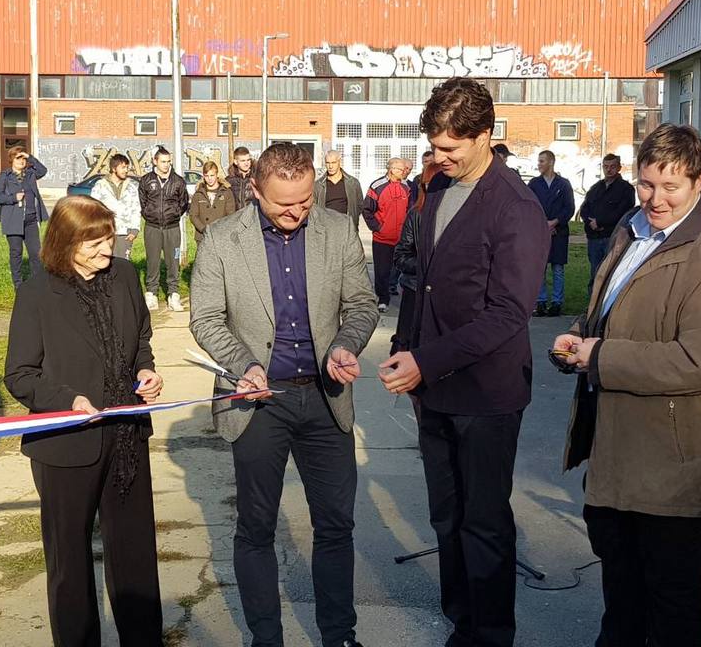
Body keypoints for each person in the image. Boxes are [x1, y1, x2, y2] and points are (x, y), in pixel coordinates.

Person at [555, 123, 701, 647]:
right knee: (622, 610)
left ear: (698, 183)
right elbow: (610, 313)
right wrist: (579, 336)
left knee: (669, 614)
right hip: (621, 456)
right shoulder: (632, 229)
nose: (655, 198)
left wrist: (601, 356)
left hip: (679, 469)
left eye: (671, 187)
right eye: (647, 183)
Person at [379, 78, 548, 647]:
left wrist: (425, 361)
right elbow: (422, 282)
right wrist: (405, 349)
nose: (439, 157)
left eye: (450, 148)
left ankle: (491, 633)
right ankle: (462, 624)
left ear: (485, 135)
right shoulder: (438, 189)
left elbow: (508, 314)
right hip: (434, 389)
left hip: (486, 395)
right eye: (433, 146)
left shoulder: (515, 207)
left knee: (484, 523)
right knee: (446, 517)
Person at [190, 142, 378, 647]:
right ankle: (266, 638)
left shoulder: (336, 229)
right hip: (258, 403)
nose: (297, 212)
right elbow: (205, 319)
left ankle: (339, 636)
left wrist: (344, 345)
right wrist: (244, 364)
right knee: (256, 528)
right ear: (255, 190)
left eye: (305, 200)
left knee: (336, 525)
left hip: (325, 398)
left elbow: (363, 304)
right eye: (284, 204)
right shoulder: (223, 239)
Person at [5, 195, 165, 647]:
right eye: (93, 243)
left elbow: (141, 337)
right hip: (66, 446)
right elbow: (19, 375)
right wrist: (68, 400)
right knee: (70, 562)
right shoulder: (37, 293)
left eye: (109, 238)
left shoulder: (125, 276)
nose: (106, 250)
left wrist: (146, 371)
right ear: (64, 243)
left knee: (135, 554)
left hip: (127, 439)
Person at [392, 160, 441, 372]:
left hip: (445, 295)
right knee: (409, 349)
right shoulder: (416, 214)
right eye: (427, 184)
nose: (431, 189)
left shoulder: (460, 216)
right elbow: (400, 256)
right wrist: (425, 266)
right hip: (415, 290)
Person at [139, 147, 189, 312]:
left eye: (168, 162)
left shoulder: (178, 181)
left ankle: (173, 294)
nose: (166, 165)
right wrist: (149, 214)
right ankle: (151, 294)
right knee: (152, 262)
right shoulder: (146, 180)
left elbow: (183, 203)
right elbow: (143, 202)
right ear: (155, 161)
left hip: (172, 229)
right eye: (163, 162)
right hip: (152, 228)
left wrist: (174, 214)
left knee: (173, 261)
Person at [578, 154, 635, 294]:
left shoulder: (626, 189)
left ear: (619, 168)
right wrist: (590, 222)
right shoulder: (596, 188)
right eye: (606, 166)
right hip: (594, 238)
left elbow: (623, 212)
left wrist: (600, 222)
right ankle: (592, 303)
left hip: (613, 237)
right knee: (595, 273)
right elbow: (584, 209)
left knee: (612, 273)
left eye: (612, 166)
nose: (609, 170)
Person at [0, 146, 49, 289]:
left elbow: (43, 170)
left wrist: (29, 156)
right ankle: (18, 285)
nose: (22, 161)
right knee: (16, 253)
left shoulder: (30, 174)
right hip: (13, 220)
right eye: (18, 158)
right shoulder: (5, 176)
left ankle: (37, 284)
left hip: (31, 220)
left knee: (36, 253)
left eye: (23, 158)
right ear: (12, 160)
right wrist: (13, 198)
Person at [528, 150, 574, 316]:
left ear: (551, 162)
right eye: (539, 161)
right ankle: (540, 302)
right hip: (540, 232)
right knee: (540, 268)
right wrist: (543, 224)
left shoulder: (564, 184)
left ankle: (556, 302)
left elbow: (569, 208)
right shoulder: (534, 184)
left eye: (542, 161)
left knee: (557, 268)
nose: (539, 164)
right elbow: (529, 206)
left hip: (558, 232)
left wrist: (555, 222)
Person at [362, 157, 411, 313]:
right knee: (382, 271)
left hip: (401, 239)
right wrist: (378, 228)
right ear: (392, 169)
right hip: (382, 238)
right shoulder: (377, 186)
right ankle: (383, 299)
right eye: (401, 169)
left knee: (399, 269)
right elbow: (367, 210)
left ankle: (398, 295)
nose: (404, 171)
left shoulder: (406, 187)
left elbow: (410, 211)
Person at [90, 153, 141, 259]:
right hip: (105, 232)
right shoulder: (100, 186)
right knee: (105, 263)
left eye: (127, 167)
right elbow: (93, 209)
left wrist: (134, 230)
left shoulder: (132, 187)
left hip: (125, 234)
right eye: (123, 167)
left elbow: (136, 209)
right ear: (114, 169)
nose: (126, 170)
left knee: (123, 264)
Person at [313, 150, 363, 231]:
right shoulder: (318, 185)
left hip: (347, 228)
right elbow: (313, 208)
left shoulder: (353, 183)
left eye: (333, 162)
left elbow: (359, 206)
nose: (330, 166)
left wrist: (352, 221)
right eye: (328, 163)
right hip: (326, 229)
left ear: (339, 162)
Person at [189, 160, 236, 245]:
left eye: (212, 175)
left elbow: (231, 215)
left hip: (221, 235)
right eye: (206, 176)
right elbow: (193, 215)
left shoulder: (226, 192)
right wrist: (203, 229)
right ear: (203, 176)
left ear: (217, 174)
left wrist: (221, 229)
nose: (209, 179)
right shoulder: (198, 193)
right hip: (202, 236)